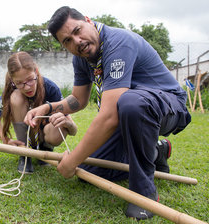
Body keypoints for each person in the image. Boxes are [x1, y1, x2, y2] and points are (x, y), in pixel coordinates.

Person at [24, 6, 191, 220]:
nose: (77, 41)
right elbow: (78, 100)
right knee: (88, 171)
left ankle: (143, 191)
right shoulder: (81, 58)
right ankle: (157, 151)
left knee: (130, 102)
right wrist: (46, 108)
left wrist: (71, 160)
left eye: (77, 31)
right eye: (67, 41)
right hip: (132, 114)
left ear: (88, 20)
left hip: (168, 106)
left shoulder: (118, 43)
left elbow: (110, 116)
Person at [0, 51, 77, 174]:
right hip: (27, 137)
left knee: (59, 128)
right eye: (19, 83)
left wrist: (67, 124)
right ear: (12, 81)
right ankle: (25, 155)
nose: (27, 87)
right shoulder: (10, 92)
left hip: (45, 135)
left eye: (30, 80)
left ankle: (44, 149)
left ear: (36, 71)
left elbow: (74, 131)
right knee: (16, 97)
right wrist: (6, 139)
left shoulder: (50, 88)